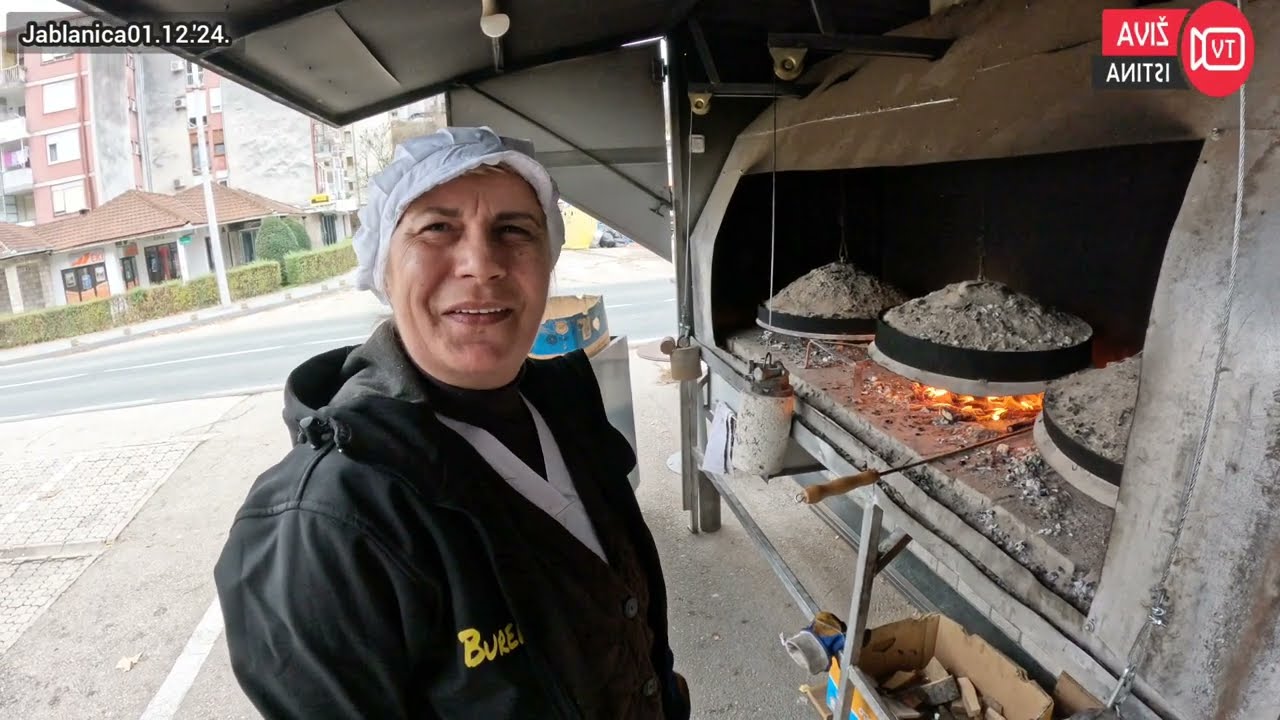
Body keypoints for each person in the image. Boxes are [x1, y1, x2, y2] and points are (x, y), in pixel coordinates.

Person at [213, 126, 691, 720]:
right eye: (437, 228)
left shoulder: (567, 406)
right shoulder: (328, 521)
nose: (482, 265)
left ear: (549, 261)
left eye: (514, 230)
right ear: (383, 268)